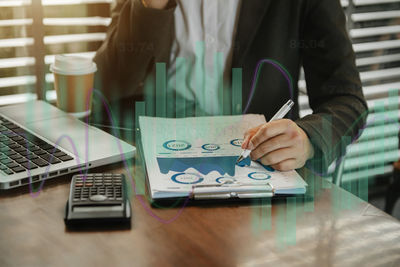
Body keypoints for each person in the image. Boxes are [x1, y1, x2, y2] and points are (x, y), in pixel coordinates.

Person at [94, 0, 368, 172]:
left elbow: (347, 100)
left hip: (255, 170)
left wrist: (308, 140)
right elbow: (107, 85)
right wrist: (150, 6)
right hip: (155, 165)